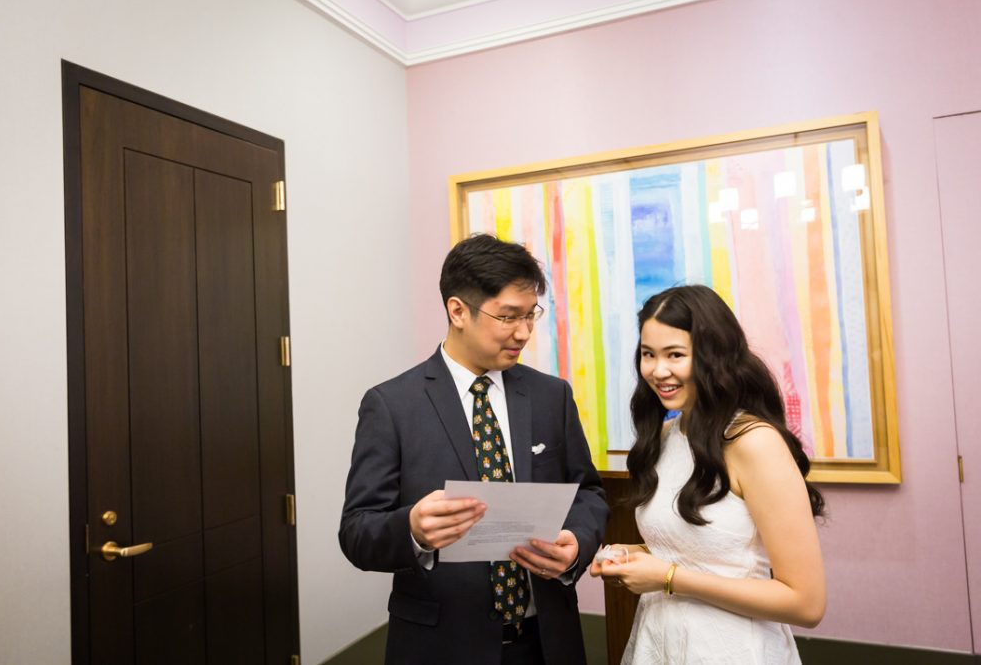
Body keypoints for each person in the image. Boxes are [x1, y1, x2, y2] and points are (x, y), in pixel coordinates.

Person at [339, 233, 609, 665]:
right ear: (458, 310)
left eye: (531, 315)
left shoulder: (550, 396)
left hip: (546, 641)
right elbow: (357, 531)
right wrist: (411, 529)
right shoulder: (391, 405)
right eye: (508, 317)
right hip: (441, 646)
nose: (523, 332)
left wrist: (577, 542)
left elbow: (588, 494)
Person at [591, 284, 826, 664]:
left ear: (714, 357)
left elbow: (806, 603)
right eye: (648, 355)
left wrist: (666, 577)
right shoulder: (665, 437)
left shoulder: (753, 442)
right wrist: (634, 555)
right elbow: (702, 550)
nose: (657, 370)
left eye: (675, 355)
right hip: (660, 643)